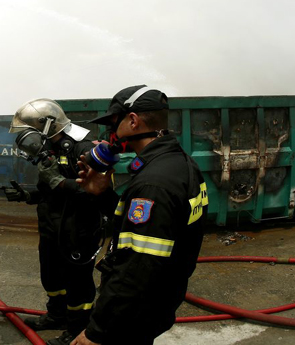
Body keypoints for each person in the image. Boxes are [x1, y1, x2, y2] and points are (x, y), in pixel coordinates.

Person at [71, 85, 208, 345]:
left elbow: (136, 270)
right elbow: (146, 228)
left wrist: (97, 332)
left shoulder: (154, 183)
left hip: (132, 315)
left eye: (113, 124)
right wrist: (102, 194)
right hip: (156, 302)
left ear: (132, 121)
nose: (110, 135)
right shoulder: (179, 163)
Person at [3, 98, 117, 345]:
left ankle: (77, 330)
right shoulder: (49, 149)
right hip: (52, 227)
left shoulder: (82, 148)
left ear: (47, 125)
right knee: (51, 276)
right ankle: (56, 315)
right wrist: (28, 194)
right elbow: (49, 189)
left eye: (30, 131)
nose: (28, 138)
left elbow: (97, 192)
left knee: (78, 283)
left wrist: (59, 183)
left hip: (79, 229)